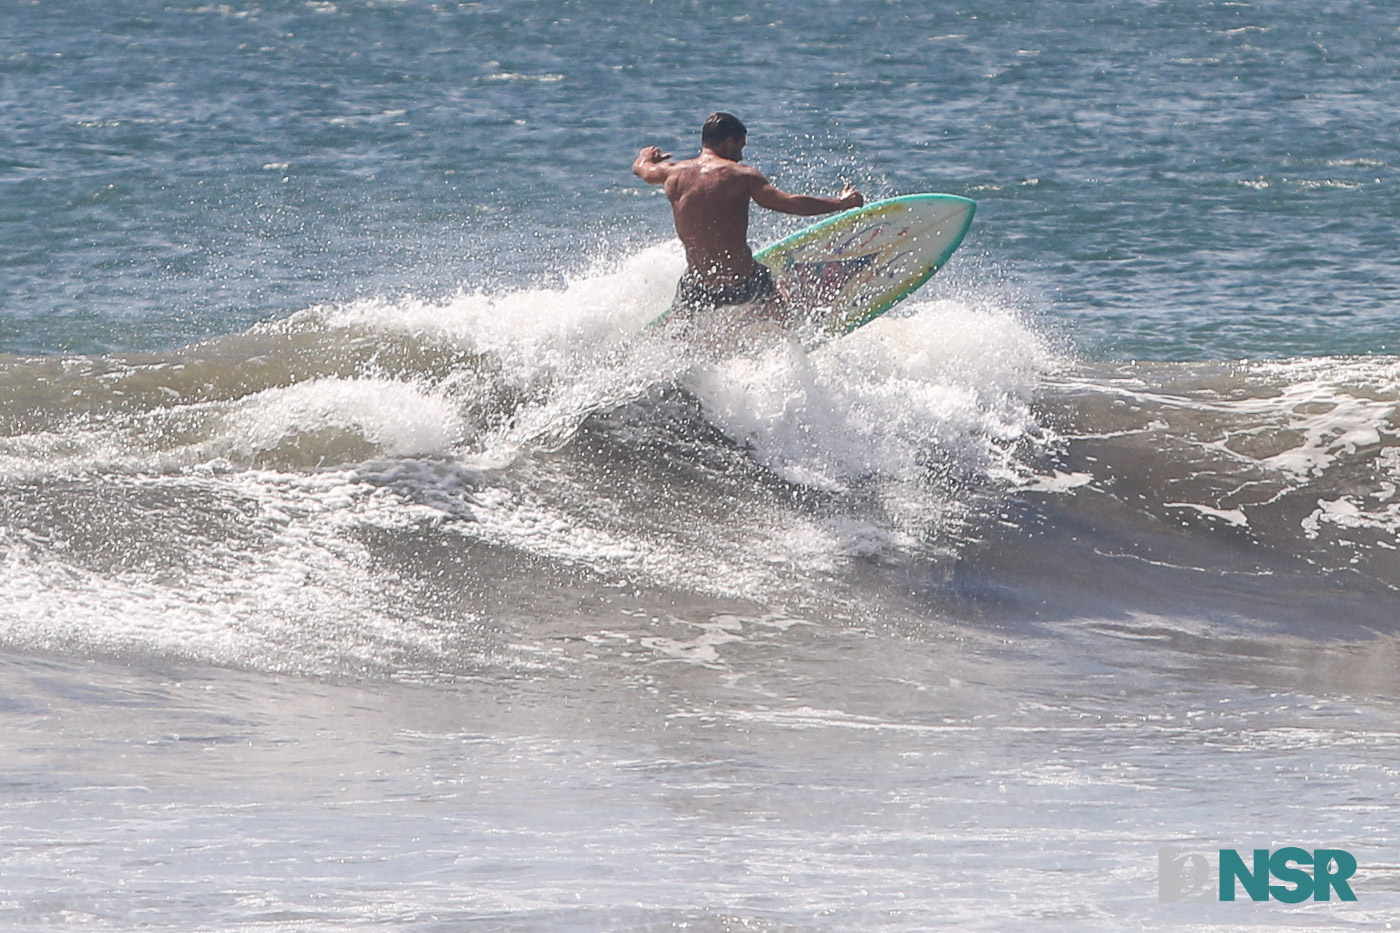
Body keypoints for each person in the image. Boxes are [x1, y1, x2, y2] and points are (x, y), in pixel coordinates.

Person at [633, 112, 863, 322]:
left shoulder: (671, 173)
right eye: (740, 147)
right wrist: (842, 203)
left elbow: (641, 169)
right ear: (729, 142)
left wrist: (646, 156)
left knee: (679, 331)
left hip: (699, 284)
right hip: (742, 281)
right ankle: (789, 341)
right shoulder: (741, 176)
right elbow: (791, 204)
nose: (740, 156)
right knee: (782, 314)